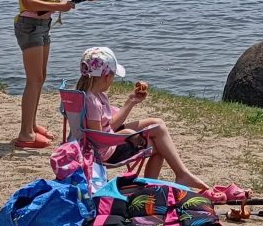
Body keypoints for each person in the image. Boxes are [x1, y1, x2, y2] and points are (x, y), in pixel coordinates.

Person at [0, 0, 100, 149]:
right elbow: (28, 2)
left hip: (44, 26)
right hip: (29, 26)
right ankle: (25, 134)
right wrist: (60, 7)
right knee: (33, 80)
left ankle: (32, 125)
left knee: (41, 77)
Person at [75, 47, 207, 190]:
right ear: (107, 76)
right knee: (160, 147)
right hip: (106, 152)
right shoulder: (92, 102)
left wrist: (131, 101)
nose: (113, 80)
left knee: (157, 123)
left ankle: (182, 174)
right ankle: (156, 187)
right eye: (113, 76)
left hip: (103, 141)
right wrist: (125, 134)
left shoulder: (87, 95)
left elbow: (109, 125)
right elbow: (99, 141)